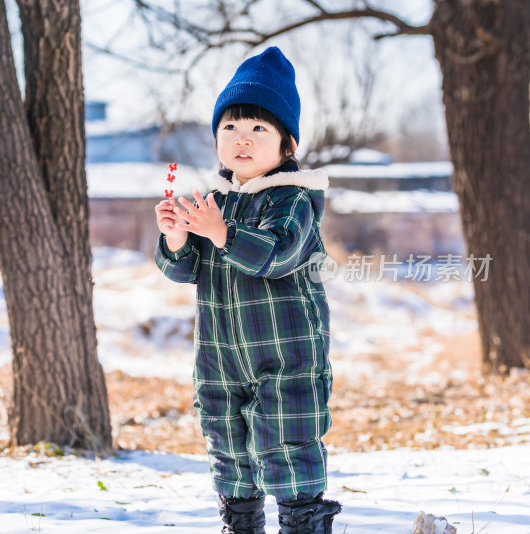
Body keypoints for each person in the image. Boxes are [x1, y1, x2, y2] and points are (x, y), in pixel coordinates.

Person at [153, 47, 341, 534]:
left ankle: (303, 523)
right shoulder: (213, 202)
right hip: (219, 355)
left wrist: (221, 233)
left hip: (285, 354)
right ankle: (240, 522)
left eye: (259, 129)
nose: (242, 139)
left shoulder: (294, 199)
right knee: (228, 442)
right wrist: (177, 236)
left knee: (288, 440)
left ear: (286, 144)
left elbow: (275, 255)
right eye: (230, 128)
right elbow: (184, 269)